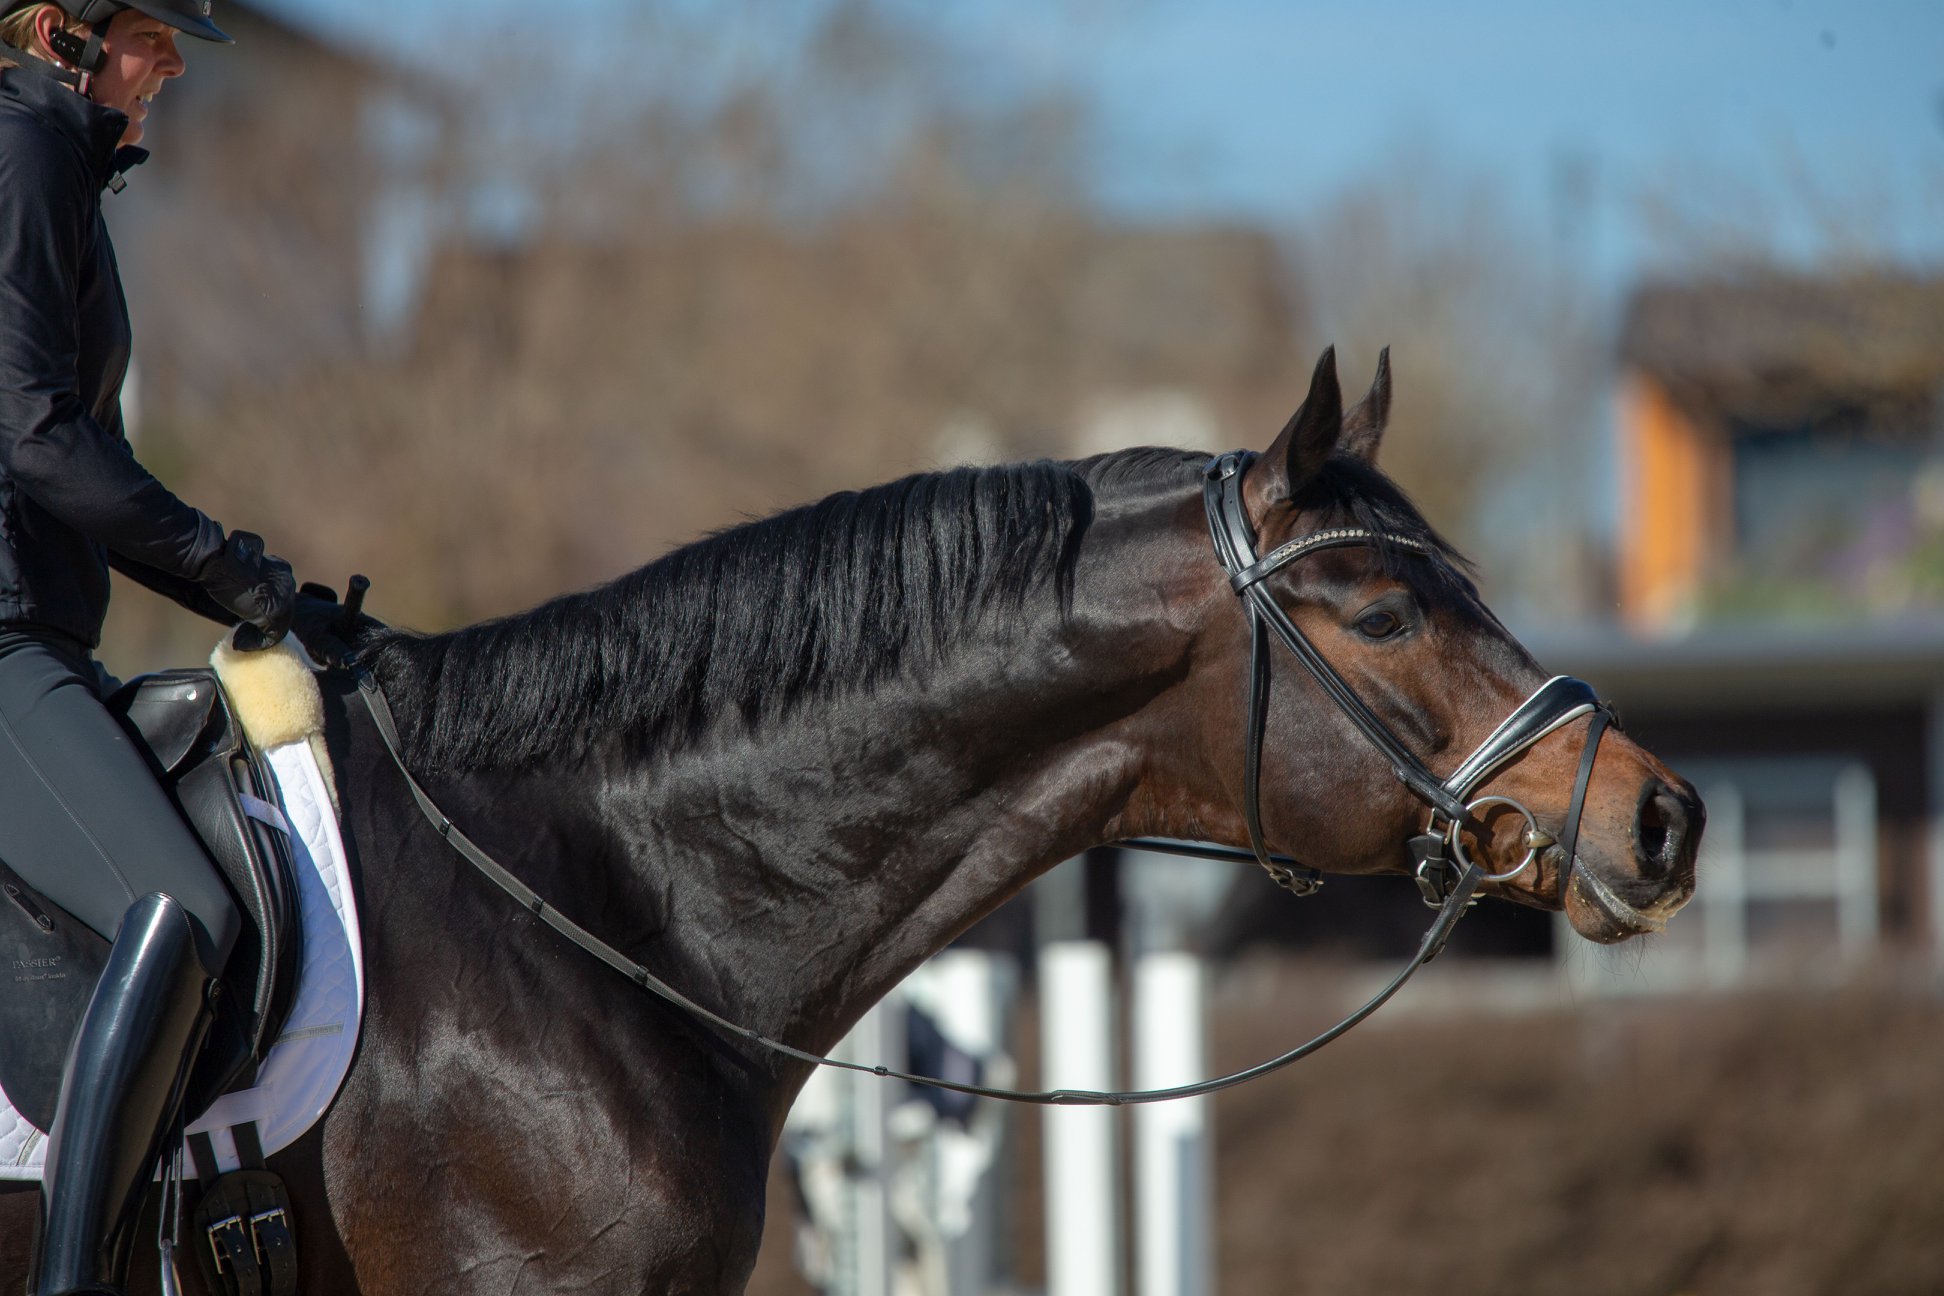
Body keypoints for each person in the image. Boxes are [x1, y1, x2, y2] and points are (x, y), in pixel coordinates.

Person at [0, 2, 296, 1291]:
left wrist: (259, 596)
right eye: (149, 33)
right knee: (177, 911)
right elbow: (36, 437)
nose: (172, 60)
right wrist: (231, 569)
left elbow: (93, 467)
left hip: (41, 630)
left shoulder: (62, 170)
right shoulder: (21, 152)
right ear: (57, 30)